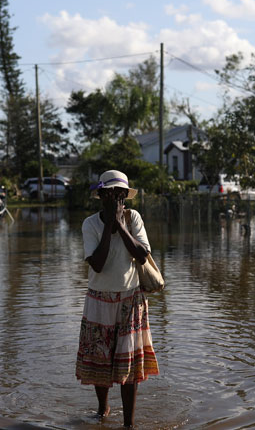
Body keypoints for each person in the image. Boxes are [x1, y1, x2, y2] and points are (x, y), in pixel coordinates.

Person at [76, 169, 159, 427]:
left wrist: (120, 225)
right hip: (99, 300)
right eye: (109, 194)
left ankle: (129, 424)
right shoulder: (90, 224)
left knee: (130, 365)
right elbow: (98, 264)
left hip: (130, 298)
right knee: (100, 360)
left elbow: (142, 255)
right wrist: (109, 225)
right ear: (101, 196)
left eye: (119, 195)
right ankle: (103, 410)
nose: (115, 199)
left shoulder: (134, 218)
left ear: (125, 197)